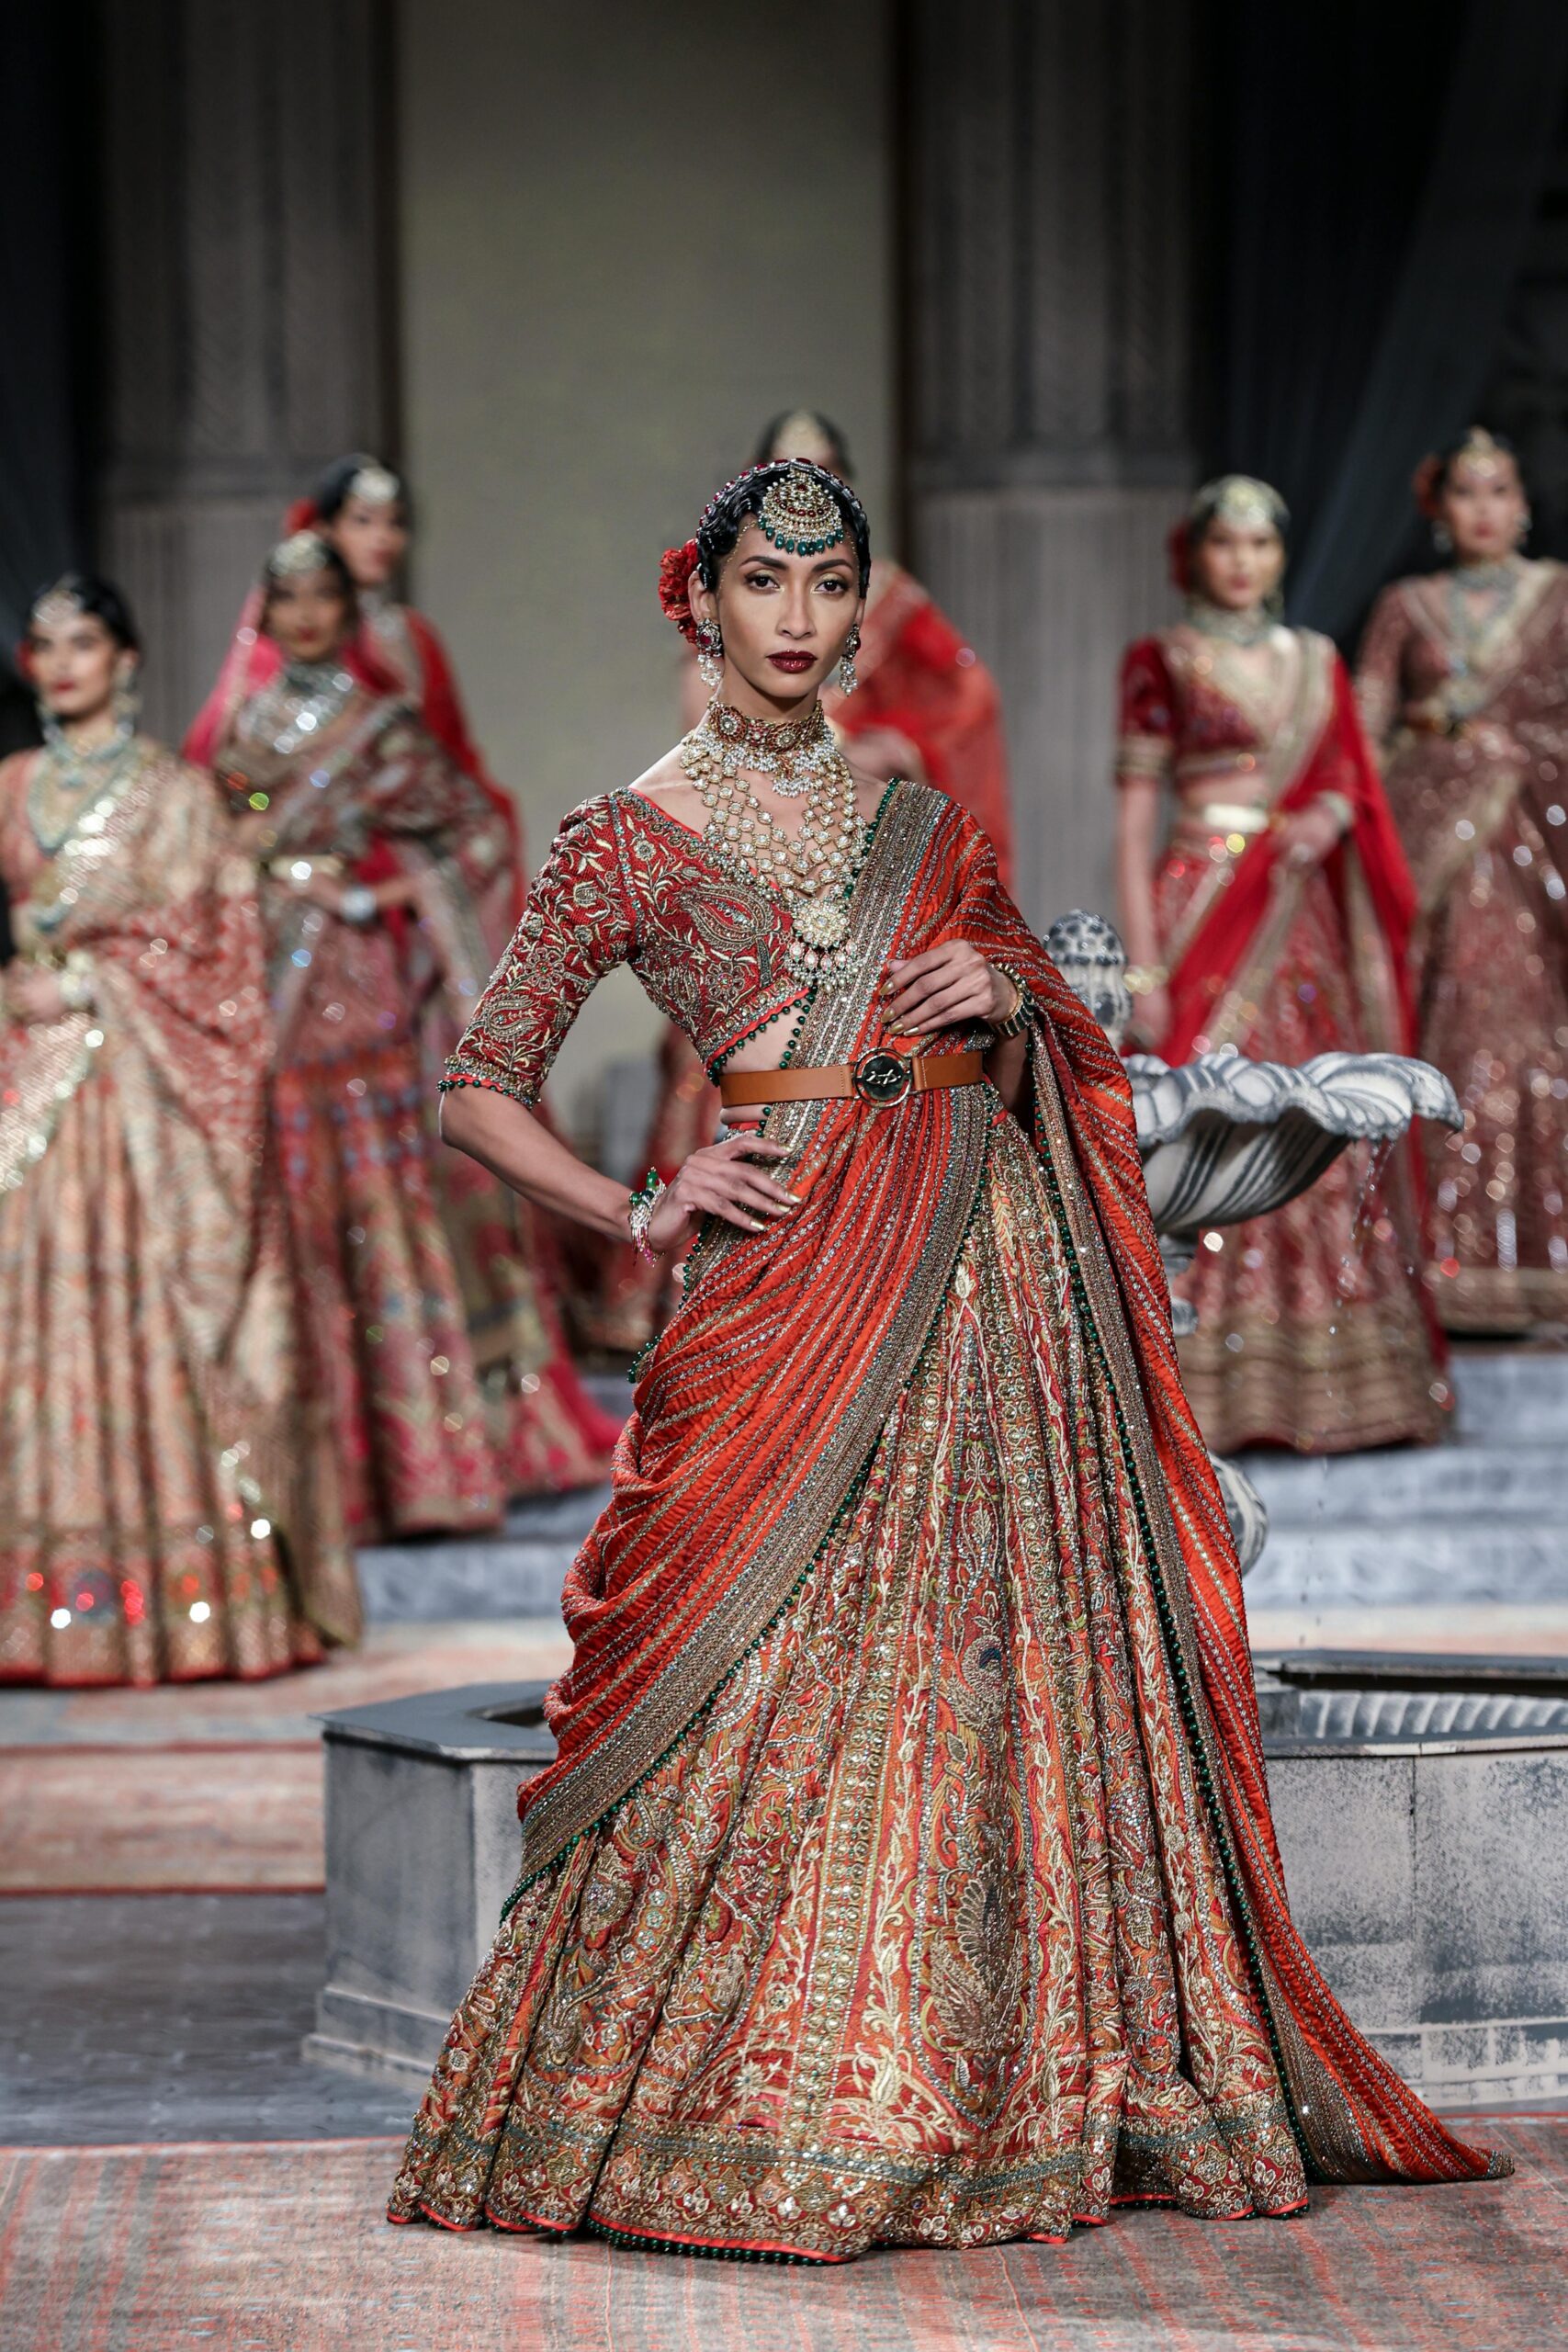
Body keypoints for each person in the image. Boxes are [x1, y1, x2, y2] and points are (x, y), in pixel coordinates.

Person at [388, 461, 1502, 2258]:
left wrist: (1004, 997)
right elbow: (474, 1085)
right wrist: (641, 1201)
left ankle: (990, 2077)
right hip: (784, 1276)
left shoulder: (921, 815)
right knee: (752, 1671)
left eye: (830, 583)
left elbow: (1052, 1019)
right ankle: (743, 2096)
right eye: (765, 582)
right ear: (700, 602)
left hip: (991, 1280)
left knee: (987, 1676)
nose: (799, 618)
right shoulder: (624, 836)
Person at [586, 409, 1013, 1355]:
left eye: (821, 474)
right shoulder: (724, 603)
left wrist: (898, 750)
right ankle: (714, 1303)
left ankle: (863, 1300)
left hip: (867, 877)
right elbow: (708, 728)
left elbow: (967, 701)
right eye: (782, 473)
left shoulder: (888, 600)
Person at [212, 532, 610, 1541]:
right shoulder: (243, 729)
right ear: (266, 612)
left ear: (349, 612)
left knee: (374, 1208)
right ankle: (306, 1472)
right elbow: (215, 842)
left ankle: (413, 1470)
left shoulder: (380, 728)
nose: (306, 614)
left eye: (323, 596)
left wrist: (378, 897)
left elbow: (474, 832)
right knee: (287, 1210)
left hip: (356, 988)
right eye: (287, 597)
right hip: (262, 984)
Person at [0, 576, 358, 1684]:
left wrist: (93, 985)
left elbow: (222, 956)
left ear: (127, 660)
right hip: (24, 1089)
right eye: (46, 645)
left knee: (150, 1310)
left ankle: (188, 1610)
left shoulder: (176, 795)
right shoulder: (11, 784)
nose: (63, 663)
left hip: (146, 1100)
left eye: (84, 642)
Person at [1113, 476, 1448, 1454]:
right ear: (1195, 554)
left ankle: (1328, 1384)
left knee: (1309, 1114)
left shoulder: (1316, 662)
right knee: (1200, 1118)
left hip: (1298, 916)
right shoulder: (1162, 659)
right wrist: (1142, 972)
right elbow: (1131, 828)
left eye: (1261, 544)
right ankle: (1189, 1384)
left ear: (1281, 556)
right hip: (1198, 904)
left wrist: (1330, 815)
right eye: (1227, 543)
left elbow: (1351, 777)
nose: (1244, 562)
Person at [1357, 428, 1568, 1333]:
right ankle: (1437, 1262)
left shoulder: (1559, 596)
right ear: (1438, 509)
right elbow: (1359, 738)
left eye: (1499, 490)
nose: (1484, 508)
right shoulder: (1405, 605)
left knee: (1518, 1029)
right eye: (1466, 492)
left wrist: (1508, 755)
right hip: (1428, 849)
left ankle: (1530, 1257)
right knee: (1442, 1024)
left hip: (1533, 847)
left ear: (1522, 505)